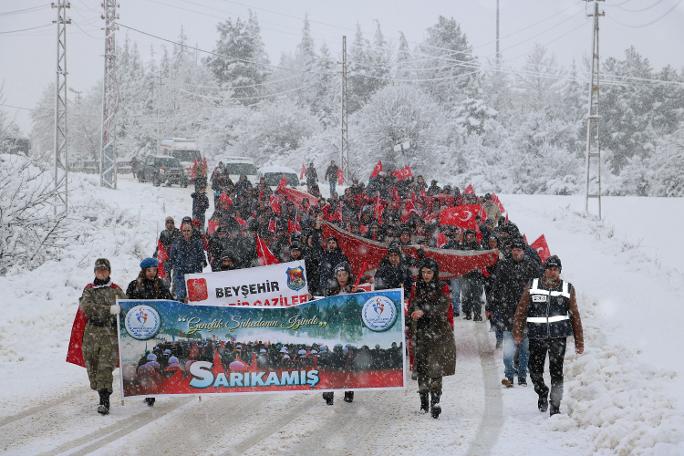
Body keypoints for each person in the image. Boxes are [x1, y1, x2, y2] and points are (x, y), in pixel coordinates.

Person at [513, 255, 584, 416]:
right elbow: (521, 310)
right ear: (544, 270)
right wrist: (517, 332)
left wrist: (579, 341)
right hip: (536, 336)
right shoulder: (533, 285)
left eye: (556, 269)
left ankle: (555, 405)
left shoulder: (567, 289)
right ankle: (542, 392)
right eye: (550, 269)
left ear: (559, 271)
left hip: (558, 337)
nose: (553, 272)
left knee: (556, 371)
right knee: (534, 370)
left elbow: (575, 316)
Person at [408, 258, 456, 418]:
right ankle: (423, 403)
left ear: (434, 273)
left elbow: (443, 306)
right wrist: (414, 313)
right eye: (423, 272)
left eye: (429, 272)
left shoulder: (442, 287)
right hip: (421, 333)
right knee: (421, 369)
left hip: (438, 333)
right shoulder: (417, 287)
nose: (426, 275)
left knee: (435, 369)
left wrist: (425, 312)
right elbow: (412, 304)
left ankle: (435, 401)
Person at [489, 239, 541, 388]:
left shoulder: (532, 266)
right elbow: (497, 285)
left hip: (526, 312)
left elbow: (540, 285)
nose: (516, 252)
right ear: (511, 251)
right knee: (508, 349)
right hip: (507, 312)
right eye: (514, 250)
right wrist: (491, 304)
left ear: (523, 251)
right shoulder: (504, 265)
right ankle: (509, 375)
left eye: (519, 250)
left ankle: (523, 377)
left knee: (524, 348)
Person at [79, 258, 127, 415]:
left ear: (109, 271)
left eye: (104, 270)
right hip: (91, 333)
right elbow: (87, 308)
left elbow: (126, 306)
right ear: (95, 272)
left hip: (109, 333)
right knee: (92, 366)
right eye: (98, 270)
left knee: (105, 367)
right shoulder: (89, 290)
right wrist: (109, 310)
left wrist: (119, 310)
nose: (101, 272)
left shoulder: (115, 290)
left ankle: (104, 400)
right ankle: (100, 389)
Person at [125, 257, 173, 406]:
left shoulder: (161, 285)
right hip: (139, 329)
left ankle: (151, 392)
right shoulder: (134, 285)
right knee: (142, 358)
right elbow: (127, 304)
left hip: (157, 328)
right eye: (149, 270)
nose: (152, 273)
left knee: (152, 358)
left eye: (154, 270)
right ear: (144, 271)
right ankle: (145, 389)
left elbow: (169, 302)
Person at [322, 263, 358, 405]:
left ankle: (349, 391)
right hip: (334, 333)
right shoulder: (330, 292)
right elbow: (324, 308)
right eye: (339, 275)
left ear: (349, 275)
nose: (342, 278)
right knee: (332, 362)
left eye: (344, 274)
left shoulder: (356, 290)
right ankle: (329, 391)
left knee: (348, 363)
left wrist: (357, 293)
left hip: (350, 333)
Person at [168, 221, 207, 301]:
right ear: (181, 231)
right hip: (180, 273)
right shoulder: (176, 242)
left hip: (194, 272)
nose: (186, 233)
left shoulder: (197, 242)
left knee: (195, 296)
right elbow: (171, 257)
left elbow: (201, 255)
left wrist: (203, 262)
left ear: (192, 231)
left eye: (188, 230)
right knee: (181, 295)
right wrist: (169, 268)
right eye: (184, 231)